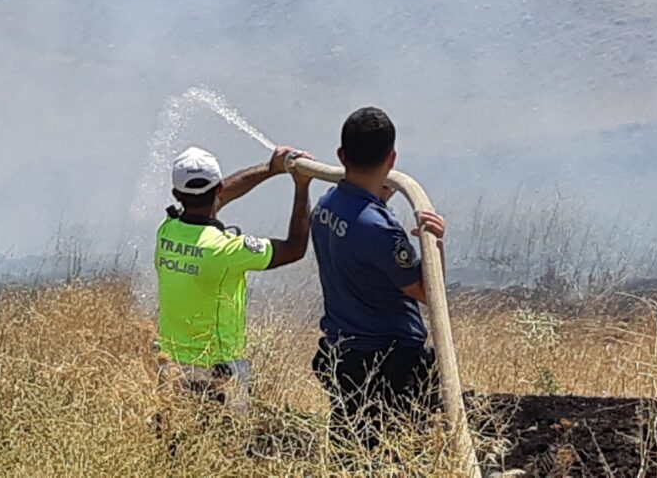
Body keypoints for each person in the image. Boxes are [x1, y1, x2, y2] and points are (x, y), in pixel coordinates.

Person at [309, 107, 447, 448]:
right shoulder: (381, 230)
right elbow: (430, 294)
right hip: (390, 365)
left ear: (341, 155)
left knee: (352, 453)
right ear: (392, 158)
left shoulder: (325, 206)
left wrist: (376, 199)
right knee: (401, 453)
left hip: (345, 359)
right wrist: (436, 244)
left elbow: (357, 238)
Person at [155, 145, 312, 411]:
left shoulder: (167, 231)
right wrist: (302, 186)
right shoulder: (228, 250)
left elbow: (217, 196)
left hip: (169, 368)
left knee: (175, 445)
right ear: (217, 190)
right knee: (224, 447)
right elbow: (295, 248)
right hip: (216, 374)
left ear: (176, 194)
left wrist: (269, 169)